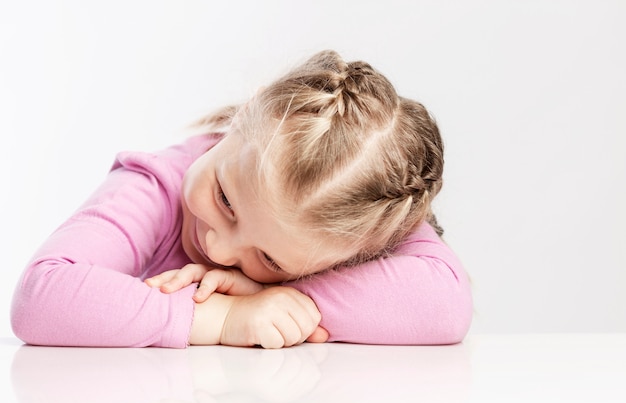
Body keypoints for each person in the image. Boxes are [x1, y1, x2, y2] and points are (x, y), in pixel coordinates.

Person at [10, 50, 472, 349]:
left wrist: (278, 295)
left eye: (270, 257)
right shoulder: (155, 186)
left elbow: (446, 303)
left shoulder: (354, 218)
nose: (218, 250)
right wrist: (226, 316)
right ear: (245, 113)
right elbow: (42, 297)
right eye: (226, 200)